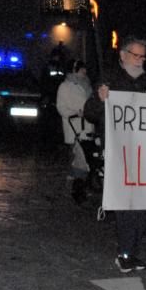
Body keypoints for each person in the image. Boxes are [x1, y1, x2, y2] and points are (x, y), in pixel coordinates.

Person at [84, 35, 146, 274]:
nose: (140, 60)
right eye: (136, 55)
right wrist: (100, 97)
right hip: (120, 152)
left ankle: (134, 251)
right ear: (123, 55)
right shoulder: (110, 79)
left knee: (144, 207)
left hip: (145, 151)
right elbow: (90, 112)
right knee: (127, 206)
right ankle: (125, 253)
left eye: (143, 56)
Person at [56, 59, 94, 204]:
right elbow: (61, 107)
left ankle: (73, 182)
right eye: (82, 69)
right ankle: (79, 188)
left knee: (84, 157)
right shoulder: (65, 86)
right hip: (75, 127)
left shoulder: (87, 85)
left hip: (88, 126)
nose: (85, 72)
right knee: (82, 158)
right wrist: (75, 113)